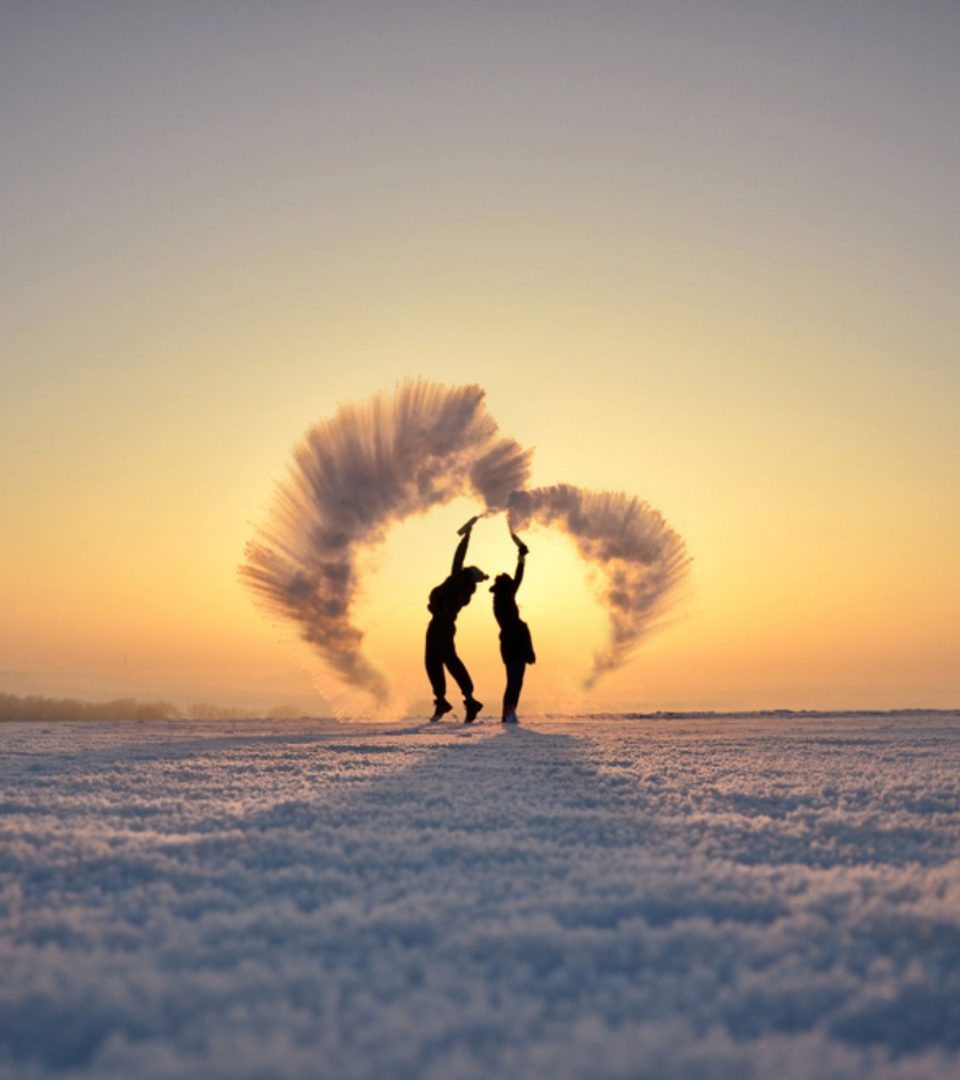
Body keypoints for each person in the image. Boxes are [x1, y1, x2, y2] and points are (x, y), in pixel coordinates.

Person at [425, 516, 487, 722]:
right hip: (437, 624)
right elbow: (458, 559)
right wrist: (466, 537)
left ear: (468, 577)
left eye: (468, 571)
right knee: (432, 662)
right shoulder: (458, 584)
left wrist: (466, 538)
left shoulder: (459, 587)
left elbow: (458, 559)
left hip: (443, 625)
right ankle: (442, 700)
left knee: (449, 661)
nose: (464, 569)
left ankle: (470, 700)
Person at [490, 531, 536, 723]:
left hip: (510, 644)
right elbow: (518, 578)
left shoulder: (501, 600)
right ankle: (509, 712)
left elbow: (517, 579)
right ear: (506, 587)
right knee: (515, 681)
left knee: (514, 680)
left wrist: (521, 557)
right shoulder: (505, 600)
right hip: (514, 643)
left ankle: (509, 711)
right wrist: (521, 557)